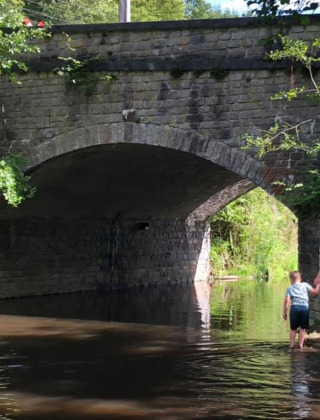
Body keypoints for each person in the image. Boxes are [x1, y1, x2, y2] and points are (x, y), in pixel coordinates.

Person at [283, 269, 320, 348]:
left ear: (291, 280)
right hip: (304, 308)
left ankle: (291, 345)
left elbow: (287, 301)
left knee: (293, 329)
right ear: (300, 278)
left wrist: (285, 312)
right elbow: (315, 293)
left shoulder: (290, 288)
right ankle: (300, 345)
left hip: (294, 308)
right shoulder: (305, 285)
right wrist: (318, 284)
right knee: (303, 328)